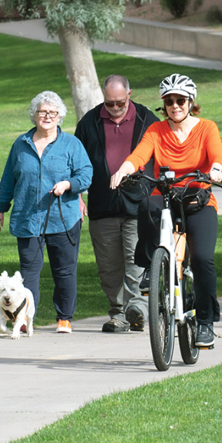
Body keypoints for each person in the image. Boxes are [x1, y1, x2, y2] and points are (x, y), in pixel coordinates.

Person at [109, 74, 222, 349]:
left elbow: (216, 154)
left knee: (203, 259)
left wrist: (216, 170)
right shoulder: (156, 130)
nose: (175, 106)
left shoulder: (207, 128)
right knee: (147, 204)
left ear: (190, 102)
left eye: (180, 100)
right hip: (167, 196)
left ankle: (205, 322)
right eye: (169, 101)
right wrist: (124, 169)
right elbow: (140, 155)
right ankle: (152, 265)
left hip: (198, 200)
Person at [0, 91, 92, 334]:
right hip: (28, 219)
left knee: (64, 270)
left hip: (63, 218)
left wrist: (68, 184)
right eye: (42, 112)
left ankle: (64, 318)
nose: (47, 116)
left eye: (52, 113)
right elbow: (8, 179)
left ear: (59, 116)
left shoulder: (71, 144)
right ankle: (23, 319)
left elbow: (86, 174)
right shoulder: (21, 144)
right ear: (34, 115)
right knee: (28, 274)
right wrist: (0, 208)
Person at [74, 74, 156, 333]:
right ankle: (118, 313)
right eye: (109, 103)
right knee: (108, 266)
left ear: (129, 94)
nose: (115, 107)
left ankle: (136, 309)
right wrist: (78, 196)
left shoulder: (147, 120)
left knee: (135, 260)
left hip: (139, 203)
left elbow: (160, 158)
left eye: (120, 102)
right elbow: (76, 163)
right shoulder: (89, 122)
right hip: (103, 203)